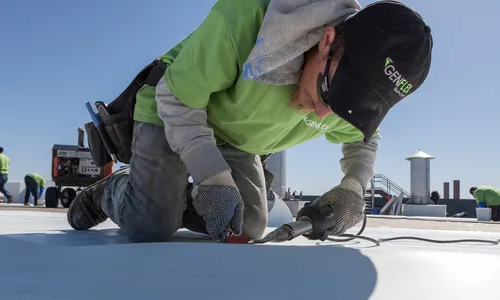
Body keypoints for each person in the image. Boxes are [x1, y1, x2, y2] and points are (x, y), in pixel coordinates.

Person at [67, 0, 433, 242]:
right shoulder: (248, 19)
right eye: (329, 93)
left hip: (237, 138)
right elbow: (174, 98)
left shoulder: (345, 101)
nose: (325, 113)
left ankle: (169, 195)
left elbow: (362, 139)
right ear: (326, 41)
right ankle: (112, 193)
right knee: (151, 226)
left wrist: (353, 187)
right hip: (176, 109)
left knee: (250, 225)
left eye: (348, 107)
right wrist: (212, 176)